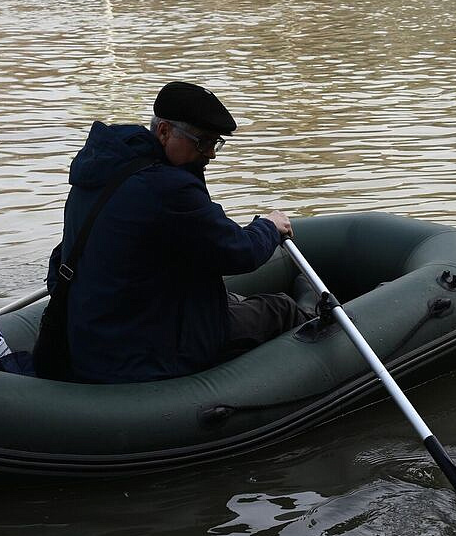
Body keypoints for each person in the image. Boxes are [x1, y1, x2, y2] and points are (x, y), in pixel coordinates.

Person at [42, 81, 310, 384]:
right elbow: (240, 251)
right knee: (280, 308)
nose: (211, 154)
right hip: (141, 353)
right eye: (202, 142)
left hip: (92, 337)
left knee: (229, 300)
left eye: (216, 142)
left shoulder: (104, 166)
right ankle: (319, 330)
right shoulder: (168, 189)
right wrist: (269, 226)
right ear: (164, 131)